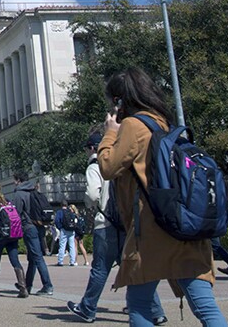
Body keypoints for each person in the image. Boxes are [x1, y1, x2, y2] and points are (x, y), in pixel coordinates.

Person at [98, 67, 226, 327]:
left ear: (119, 101)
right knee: (204, 304)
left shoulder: (134, 125)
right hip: (182, 220)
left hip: (153, 227)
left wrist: (110, 131)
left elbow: (108, 167)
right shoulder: (164, 122)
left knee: (140, 305)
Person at [69, 130, 166, 325]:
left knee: (100, 268)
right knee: (133, 267)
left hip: (105, 223)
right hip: (125, 222)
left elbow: (93, 195)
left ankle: (88, 308)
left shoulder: (94, 166)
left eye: (87, 149)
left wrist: (89, 203)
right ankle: (155, 310)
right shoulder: (120, 161)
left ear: (92, 148)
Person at [10, 171, 54, 296]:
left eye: (14, 180)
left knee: (37, 257)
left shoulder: (19, 193)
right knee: (33, 258)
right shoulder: (34, 190)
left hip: (28, 227)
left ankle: (47, 285)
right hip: (39, 225)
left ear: (18, 180)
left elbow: (17, 213)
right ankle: (27, 284)